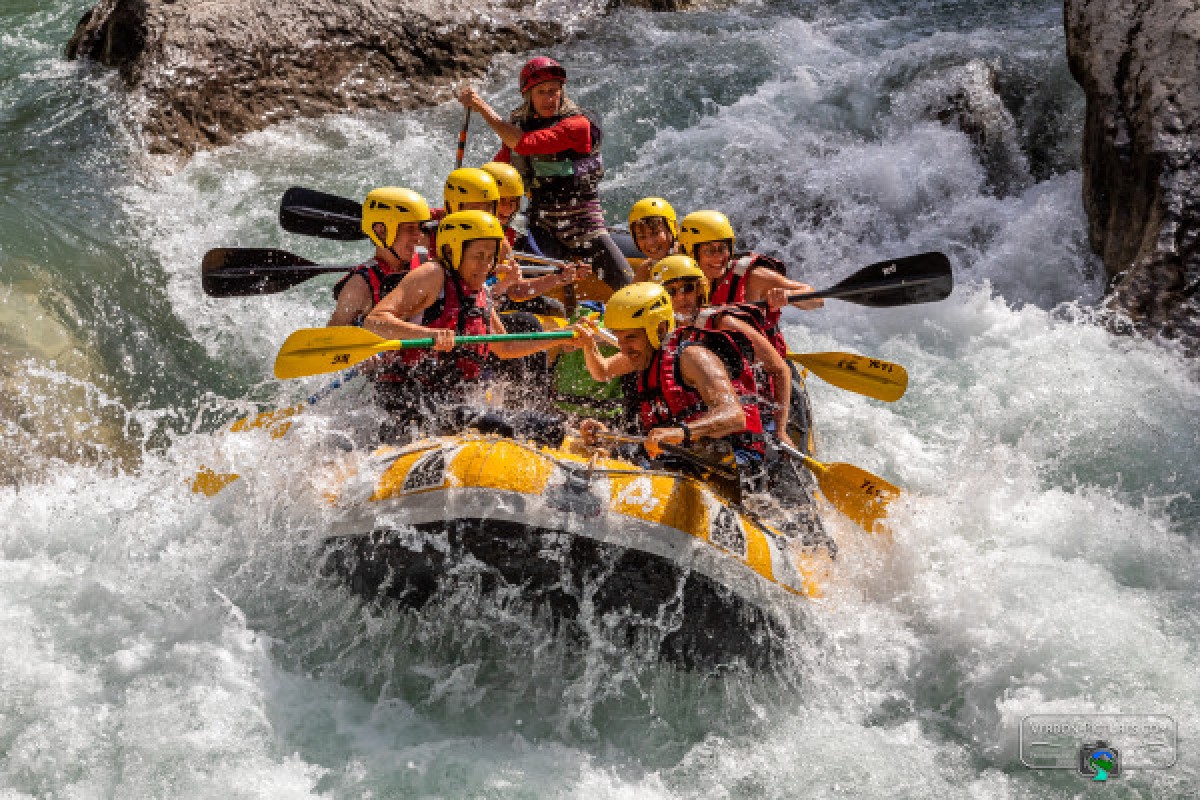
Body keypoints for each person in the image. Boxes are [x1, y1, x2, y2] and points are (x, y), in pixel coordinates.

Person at [362, 211, 565, 419]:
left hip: (453, 402)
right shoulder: (432, 275)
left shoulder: (479, 292)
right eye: (478, 256)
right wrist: (427, 334)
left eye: (490, 257)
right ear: (451, 252)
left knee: (549, 428)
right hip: (408, 397)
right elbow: (374, 322)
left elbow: (505, 347)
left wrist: (560, 336)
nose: (486, 266)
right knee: (498, 424)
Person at [457, 56, 633, 294]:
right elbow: (501, 165)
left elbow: (526, 144)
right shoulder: (521, 123)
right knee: (522, 288)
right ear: (529, 96)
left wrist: (482, 108)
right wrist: (463, 193)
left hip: (584, 223)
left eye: (554, 91)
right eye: (542, 92)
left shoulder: (578, 125)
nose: (550, 98)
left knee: (626, 281)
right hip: (542, 223)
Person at [573, 283, 766, 476]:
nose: (623, 348)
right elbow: (603, 371)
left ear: (659, 329)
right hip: (686, 455)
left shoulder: (693, 357)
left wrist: (681, 432)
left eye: (631, 337)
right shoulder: (643, 353)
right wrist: (608, 437)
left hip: (735, 459)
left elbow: (734, 416)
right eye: (619, 338)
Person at [654, 255, 795, 447]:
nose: (681, 298)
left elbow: (780, 369)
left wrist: (780, 430)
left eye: (688, 288)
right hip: (708, 418)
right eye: (671, 291)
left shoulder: (723, 322)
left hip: (753, 413)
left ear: (699, 290)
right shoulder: (664, 333)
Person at [677, 210, 824, 354]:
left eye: (722, 249)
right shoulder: (678, 282)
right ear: (690, 252)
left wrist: (788, 295)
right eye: (709, 251)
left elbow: (817, 299)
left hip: (766, 365)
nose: (718, 258)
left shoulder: (754, 277)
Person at [328, 187, 430, 326]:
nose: (418, 238)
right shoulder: (359, 287)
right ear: (381, 231)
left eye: (420, 228)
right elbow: (333, 339)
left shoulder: (427, 263)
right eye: (410, 228)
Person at [627, 197, 679, 282]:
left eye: (655, 233)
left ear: (673, 228)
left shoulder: (687, 256)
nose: (650, 242)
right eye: (642, 237)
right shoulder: (645, 271)